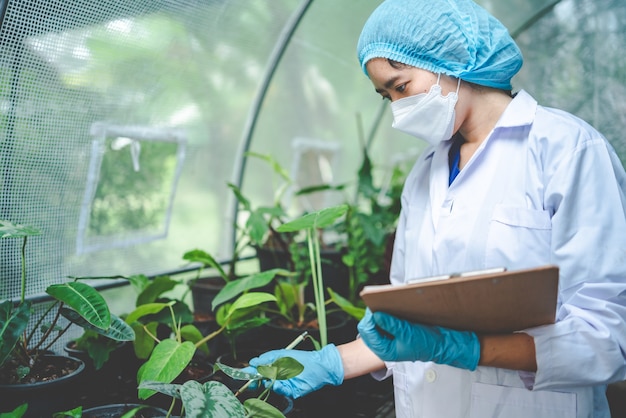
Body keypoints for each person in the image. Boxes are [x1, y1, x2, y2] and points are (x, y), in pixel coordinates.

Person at [247, 0, 626, 416]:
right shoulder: (426, 171)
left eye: (401, 86)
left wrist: (467, 348)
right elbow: (410, 328)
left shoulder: (566, 149)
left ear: (450, 59)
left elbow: (607, 335)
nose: (396, 108)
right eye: (385, 95)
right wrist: (334, 362)